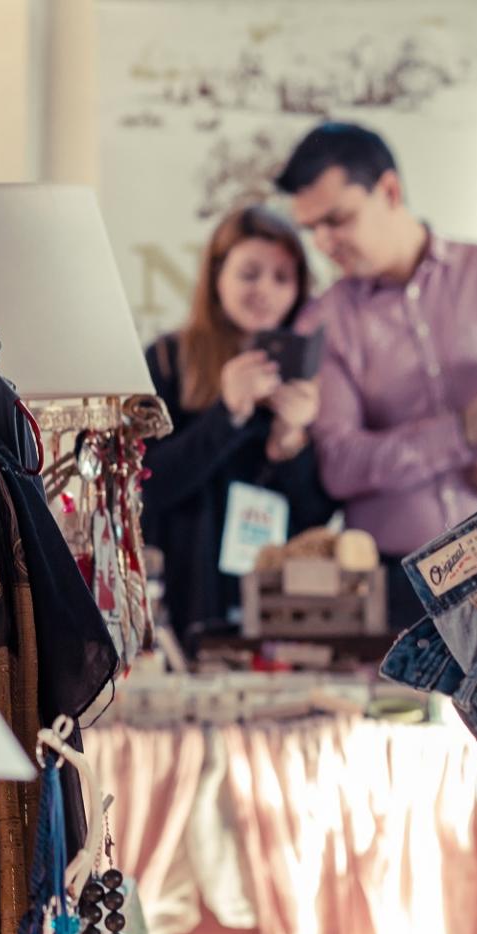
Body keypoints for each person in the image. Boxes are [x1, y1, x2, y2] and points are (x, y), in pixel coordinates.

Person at [275, 121, 477, 627]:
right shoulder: (323, 322)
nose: (323, 243)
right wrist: (463, 432)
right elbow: (340, 464)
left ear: (389, 190)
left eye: (337, 219)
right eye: (311, 229)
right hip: (399, 594)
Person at [140, 205, 336, 652]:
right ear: (216, 276)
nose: (265, 290)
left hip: (273, 616)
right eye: (249, 273)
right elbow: (148, 485)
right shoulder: (169, 359)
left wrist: (290, 443)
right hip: (180, 606)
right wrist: (226, 414)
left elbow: (313, 524)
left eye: (282, 278)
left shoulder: (309, 372)